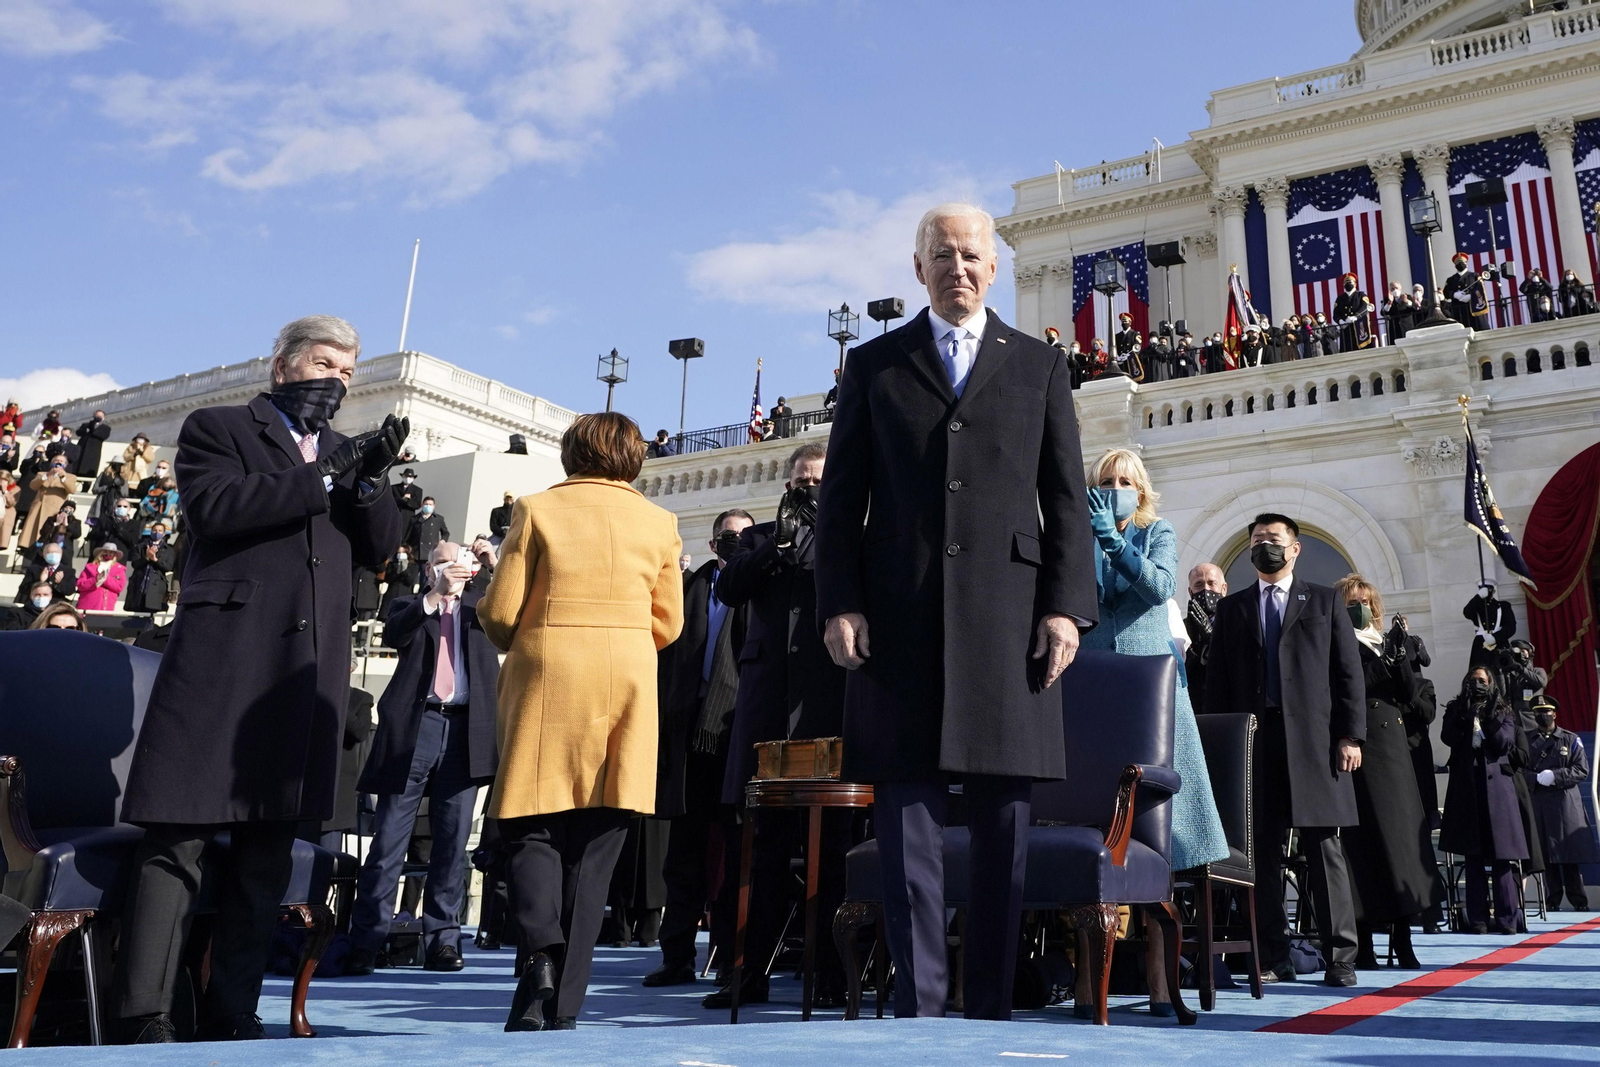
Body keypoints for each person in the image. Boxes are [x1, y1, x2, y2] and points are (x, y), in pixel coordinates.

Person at [814, 202, 1098, 1021]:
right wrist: (843, 602)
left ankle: (989, 1002)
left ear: (994, 266)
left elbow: (1066, 500)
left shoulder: (1039, 366)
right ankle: (921, 1001)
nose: (958, 267)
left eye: (972, 254)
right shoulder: (874, 366)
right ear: (917, 268)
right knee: (907, 823)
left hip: (1012, 623)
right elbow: (840, 505)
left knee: (1005, 823)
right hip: (897, 622)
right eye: (942, 255)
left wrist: (1066, 610)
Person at [108, 314, 406, 1044]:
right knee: (175, 843)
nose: (337, 378)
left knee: (266, 853)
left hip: (301, 678)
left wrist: (366, 482)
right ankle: (145, 1012)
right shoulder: (219, 428)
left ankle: (233, 1009)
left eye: (347, 370)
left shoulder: (344, 453)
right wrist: (325, 475)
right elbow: (217, 508)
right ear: (283, 366)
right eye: (325, 363)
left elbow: (382, 548)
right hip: (222, 664)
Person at [478, 411, 683, 1033]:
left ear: (572, 452)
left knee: (532, 823)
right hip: (625, 673)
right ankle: (562, 1007)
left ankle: (539, 952)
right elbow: (668, 623)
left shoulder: (538, 508)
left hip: (548, 666)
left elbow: (502, 612)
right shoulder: (661, 521)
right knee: (597, 847)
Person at [1078, 449, 1228, 1015]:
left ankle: (1164, 987)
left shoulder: (1155, 530)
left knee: (1157, 835)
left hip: (1151, 695)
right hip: (1092, 690)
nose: (1114, 488)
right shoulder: (1080, 532)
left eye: (1124, 481)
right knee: (1096, 828)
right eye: (1105, 481)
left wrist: (1114, 543)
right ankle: (1090, 984)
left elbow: (1160, 587)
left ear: (1140, 491)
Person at [704, 442, 853, 1009]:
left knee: (833, 847)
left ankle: (831, 971)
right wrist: (780, 546)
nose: (806, 490)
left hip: (827, 706)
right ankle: (746, 971)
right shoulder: (761, 538)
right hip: (765, 709)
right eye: (798, 482)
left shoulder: (848, 535)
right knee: (760, 846)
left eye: (816, 482)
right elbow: (730, 587)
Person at [1203, 513, 1365, 987]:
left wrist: (1351, 735)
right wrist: (1220, 748)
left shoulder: (1324, 600)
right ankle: (1273, 955)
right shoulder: (1231, 610)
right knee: (1261, 855)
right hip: (1255, 744)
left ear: (1294, 549)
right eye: (1256, 541)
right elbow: (1218, 686)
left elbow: (1347, 671)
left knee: (1325, 849)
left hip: (1316, 744)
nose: (1263, 547)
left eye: (1273, 540)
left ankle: (1341, 957)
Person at [346, 539, 501, 975]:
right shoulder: (408, 603)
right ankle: (367, 939)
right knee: (388, 841)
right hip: (417, 728)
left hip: (466, 730)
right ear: (429, 568)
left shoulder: (484, 605)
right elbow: (398, 633)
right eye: (443, 562)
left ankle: (443, 941)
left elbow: (515, 610)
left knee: (452, 846)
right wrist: (435, 594)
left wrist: (494, 564)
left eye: (460, 561)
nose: (453, 568)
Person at [645, 507, 753, 988]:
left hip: (735, 737)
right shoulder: (686, 589)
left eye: (745, 538)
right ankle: (675, 958)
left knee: (733, 856)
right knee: (682, 857)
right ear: (713, 544)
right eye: (729, 537)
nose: (736, 544)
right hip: (685, 736)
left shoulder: (757, 589)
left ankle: (731, 960)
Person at [1333, 575, 1441, 970]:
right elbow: (1348, 691)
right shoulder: (1337, 644)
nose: (1360, 606)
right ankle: (1363, 942)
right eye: (1352, 601)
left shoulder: (1390, 644)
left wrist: (1401, 663)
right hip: (1358, 751)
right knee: (1362, 849)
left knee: (1401, 848)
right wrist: (1383, 666)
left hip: (1395, 754)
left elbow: (1415, 704)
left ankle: (1404, 937)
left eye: (1365, 600)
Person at [1440, 666, 1529, 934]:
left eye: (1482, 681)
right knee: (1473, 857)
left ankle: (1507, 920)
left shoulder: (1504, 711)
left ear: (1490, 684)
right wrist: (1466, 714)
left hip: (1498, 794)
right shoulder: (1457, 709)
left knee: (1503, 858)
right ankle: (1477, 920)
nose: (1477, 684)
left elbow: (1503, 744)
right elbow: (1448, 738)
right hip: (1468, 790)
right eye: (1472, 680)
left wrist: (1488, 715)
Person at [1525, 695, 1597, 910]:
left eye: (1546, 712)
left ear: (1554, 714)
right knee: (1547, 855)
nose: (1543, 716)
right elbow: (1518, 769)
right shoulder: (1527, 740)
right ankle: (1552, 900)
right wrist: (1534, 778)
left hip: (1566, 804)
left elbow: (1581, 769)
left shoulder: (1570, 739)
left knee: (1569, 853)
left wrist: (1555, 776)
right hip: (1540, 802)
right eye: (1538, 712)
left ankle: (1579, 901)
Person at [1183, 563, 1227, 708]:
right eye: (1199, 585)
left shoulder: (1236, 622)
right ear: (1190, 592)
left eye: (1211, 583)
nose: (1206, 590)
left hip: (1225, 707)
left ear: (1224, 588)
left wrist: (1211, 637)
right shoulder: (1182, 627)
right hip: (1193, 707)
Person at [18, 456, 75, 550]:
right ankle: (29, 549)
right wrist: (47, 475)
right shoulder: (42, 474)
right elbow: (33, 486)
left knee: (49, 533)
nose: (58, 462)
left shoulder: (70, 477)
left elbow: (72, 490)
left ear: (65, 465)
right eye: (56, 460)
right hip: (39, 507)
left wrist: (62, 476)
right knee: (32, 534)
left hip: (55, 509)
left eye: (61, 461)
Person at [124, 523, 176, 615]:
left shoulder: (168, 550)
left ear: (164, 534)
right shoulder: (140, 547)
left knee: (151, 616)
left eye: (160, 531)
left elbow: (168, 567)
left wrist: (155, 560)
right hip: (139, 585)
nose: (157, 532)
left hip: (156, 587)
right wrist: (147, 557)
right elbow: (135, 564)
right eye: (155, 530)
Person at [1463, 577, 1515, 669]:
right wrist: (1478, 597)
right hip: (1481, 645)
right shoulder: (1477, 607)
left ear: (1493, 591)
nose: (1486, 592)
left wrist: (1495, 638)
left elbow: (1511, 627)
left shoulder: (1503, 606)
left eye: (1488, 589)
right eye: (1482, 589)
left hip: (1499, 644)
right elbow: (1467, 613)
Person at [76, 543, 128, 612]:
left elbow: (119, 587)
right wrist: (95, 580)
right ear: (100, 553)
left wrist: (105, 578)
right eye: (105, 551)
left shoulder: (119, 569)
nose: (108, 554)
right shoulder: (89, 567)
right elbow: (80, 585)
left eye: (111, 552)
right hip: (87, 607)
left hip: (106, 608)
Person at [1444, 253, 1490, 329]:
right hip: (1459, 310)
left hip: (1473, 308)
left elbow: (1480, 289)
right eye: (1458, 263)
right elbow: (1446, 292)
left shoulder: (1474, 276)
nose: (1460, 264)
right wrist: (1455, 295)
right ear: (1455, 265)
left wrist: (1470, 296)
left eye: (1462, 262)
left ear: (1466, 264)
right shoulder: (1451, 280)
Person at [1333, 274, 1376, 351]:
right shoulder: (1340, 298)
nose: (1348, 283)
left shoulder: (1361, 295)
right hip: (1346, 328)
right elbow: (1336, 314)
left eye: (1350, 281)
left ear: (1355, 284)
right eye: (1346, 282)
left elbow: (1364, 308)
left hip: (1360, 326)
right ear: (1343, 285)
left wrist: (1356, 316)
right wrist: (1341, 321)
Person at [380, 548, 421, 617]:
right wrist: (397, 570)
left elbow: (410, 581)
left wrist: (404, 570)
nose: (401, 554)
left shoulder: (414, 566)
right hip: (392, 595)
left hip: (405, 594)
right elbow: (388, 579)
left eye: (403, 552)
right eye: (399, 552)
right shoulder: (392, 565)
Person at [75, 410, 112, 477]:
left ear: (103, 418)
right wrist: (88, 428)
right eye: (97, 415)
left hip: (93, 451)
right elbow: (78, 432)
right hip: (82, 449)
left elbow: (103, 436)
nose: (98, 417)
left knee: (89, 470)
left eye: (100, 416)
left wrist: (93, 429)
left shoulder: (106, 428)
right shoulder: (86, 425)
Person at [0, 474, 17, 552]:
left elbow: (11, 503)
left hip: (3, 518)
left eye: (4, 479)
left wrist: (5, 491)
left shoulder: (15, 489)